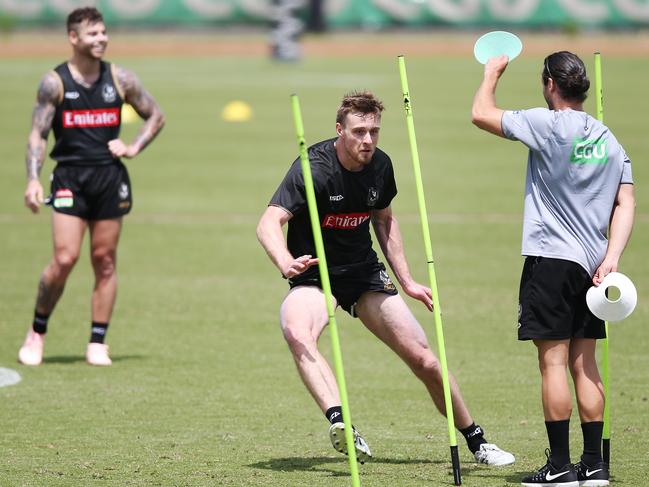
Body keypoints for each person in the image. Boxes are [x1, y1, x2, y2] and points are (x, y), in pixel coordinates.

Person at [257, 90, 515, 466]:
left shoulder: (380, 165)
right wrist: (284, 259)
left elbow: (384, 218)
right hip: (315, 274)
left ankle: (478, 441)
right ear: (339, 130)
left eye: (374, 131)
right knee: (297, 331)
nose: (367, 140)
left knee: (424, 360)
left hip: (363, 273)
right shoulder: (312, 168)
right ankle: (341, 423)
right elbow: (268, 222)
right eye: (359, 131)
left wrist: (407, 281)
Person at [472, 52, 635, 487]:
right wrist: (613, 256)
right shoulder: (608, 138)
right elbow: (627, 201)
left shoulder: (547, 124)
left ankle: (560, 466)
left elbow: (480, 114)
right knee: (586, 365)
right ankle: (594, 465)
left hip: (551, 261)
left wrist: (491, 74)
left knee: (553, 364)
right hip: (595, 269)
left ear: (550, 85)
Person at [18, 7, 165, 367]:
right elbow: (37, 134)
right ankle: (37, 331)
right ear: (73, 38)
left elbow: (155, 116)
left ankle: (97, 341)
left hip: (109, 179)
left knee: (105, 261)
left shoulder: (120, 79)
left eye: (103, 32)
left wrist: (132, 147)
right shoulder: (54, 83)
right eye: (92, 34)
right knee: (65, 258)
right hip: (69, 177)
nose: (101, 39)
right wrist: (34, 178)